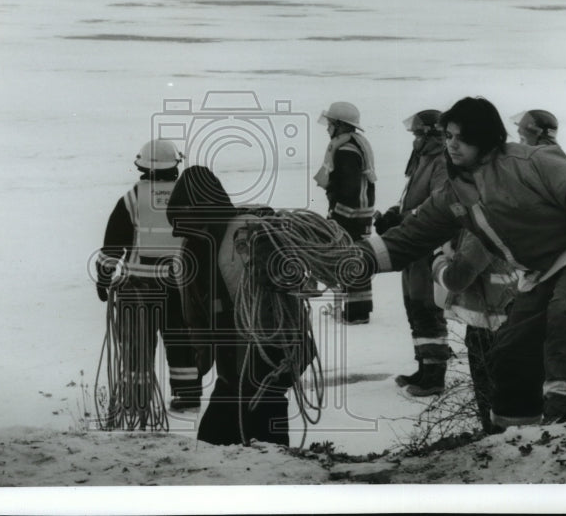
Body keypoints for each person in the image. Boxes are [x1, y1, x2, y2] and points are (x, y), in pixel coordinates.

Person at [362, 96, 566, 426]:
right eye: (448, 136)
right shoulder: (455, 192)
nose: (452, 145)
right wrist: (357, 259)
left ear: (484, 135)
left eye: (461, 137)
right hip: (540, 273)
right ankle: (514, 441)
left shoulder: (531, 160)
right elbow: (412, 236)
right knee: (510, 352)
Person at [166, 166, 314, 446]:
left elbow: (275, 307)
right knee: (227, 432)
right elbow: (196, 316)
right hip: (234, 363)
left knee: (252, 425)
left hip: (264, 357)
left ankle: (274, 472)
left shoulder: (244, 238)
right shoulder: (195, 248)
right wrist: (198, 366)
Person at [95, 139, 202, 412]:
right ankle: (187, 396)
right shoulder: (189, 196)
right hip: (178, 287)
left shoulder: (132, 198)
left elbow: (112, 243)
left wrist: (104, 277)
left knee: (136, 345)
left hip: (137, 288)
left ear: (141, 165)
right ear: (175, 165)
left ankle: (136, 399)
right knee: (180, 341)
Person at [374, 110, 452, 396]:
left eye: (419, 134)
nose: (415, 139)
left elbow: (437, 204)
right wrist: (396, 213)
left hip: (426, 244)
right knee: (413, 305)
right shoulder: (424, 160)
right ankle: (423, 366)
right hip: (413, 244)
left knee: (426, 307)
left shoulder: (442, 161)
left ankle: (434, 376)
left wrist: (402, 219)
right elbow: (414, 199)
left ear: (432, 134)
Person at [431, 230, 516, 433]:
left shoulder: (482, 226)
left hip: (488, 321)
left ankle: (496, 440)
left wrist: (437, 260)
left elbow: (456, 277)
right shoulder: (521, 211)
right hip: (516, 311)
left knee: (492, 398)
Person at [314, 101, 376, 324]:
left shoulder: (346, 150)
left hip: (349, 214)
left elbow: (348, 188)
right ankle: (356, 310)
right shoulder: (355, 144)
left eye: (330, 123)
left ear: (340, 125)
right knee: (355, 258)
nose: (328, 128)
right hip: (359, 214)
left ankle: (356, 313)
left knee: (350, 259)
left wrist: (335, 210)